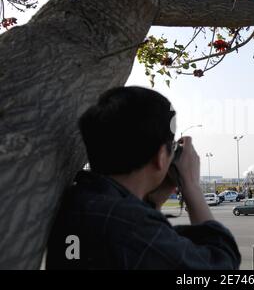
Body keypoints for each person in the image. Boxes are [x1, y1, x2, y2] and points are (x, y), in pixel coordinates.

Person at [46, 86, 241, 270]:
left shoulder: (83, 199)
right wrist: (191, 185)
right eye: (171, 147)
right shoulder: (127, 223)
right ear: (160, 157)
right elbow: (221, 263)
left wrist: (155, 198)